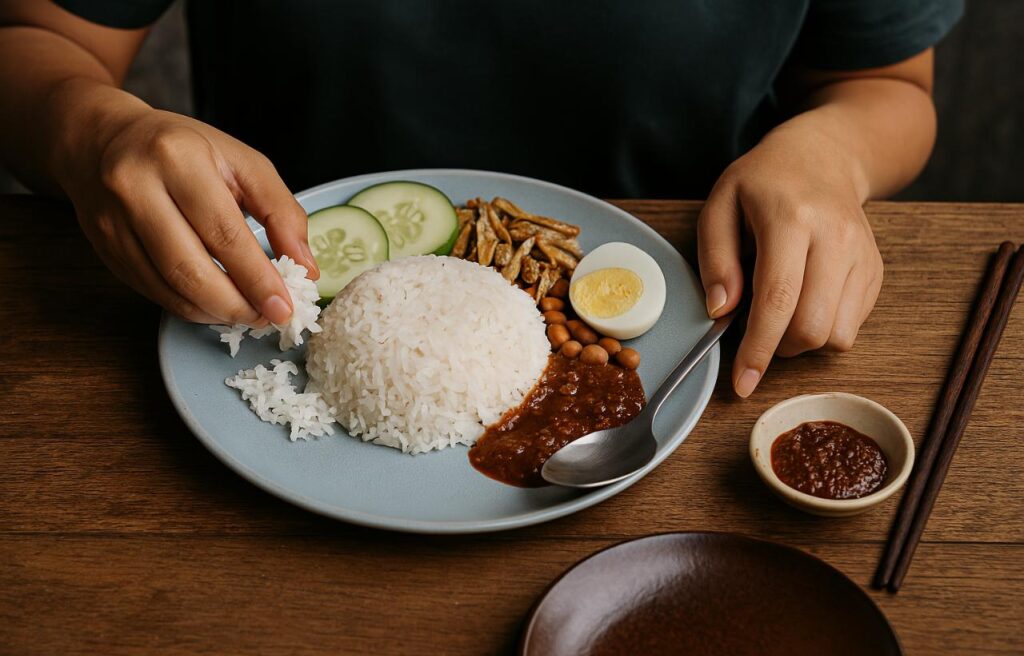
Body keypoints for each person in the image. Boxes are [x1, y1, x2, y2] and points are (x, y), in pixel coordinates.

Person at [0, 1, 962, 396]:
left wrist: (829, 158)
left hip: (689, 337)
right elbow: (35, 39)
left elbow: (885, 85)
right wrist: (95, 132)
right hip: (273, 319)